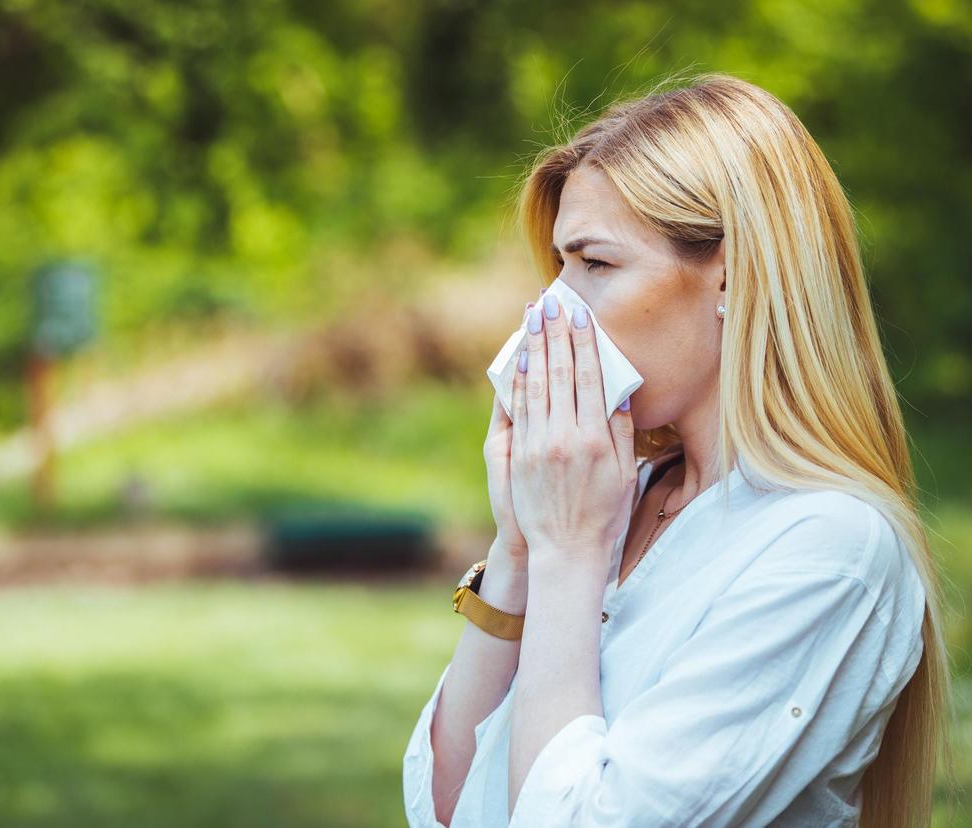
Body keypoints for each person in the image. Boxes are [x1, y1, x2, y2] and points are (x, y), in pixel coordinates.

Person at [402, 71, 955, 828]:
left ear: (732, 273)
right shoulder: (614, 497)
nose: (549, 311)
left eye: (596, 265)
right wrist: (521, 551)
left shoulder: (829, 551)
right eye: (559, 268)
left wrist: (567, 553)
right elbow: (442, 806)